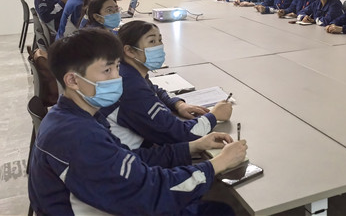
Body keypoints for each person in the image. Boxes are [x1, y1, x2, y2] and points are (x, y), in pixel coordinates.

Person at [28, 28, 246, 215]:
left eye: (117, 67)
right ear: (73, 80)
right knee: (220, 210)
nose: (117, 77)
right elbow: (151, 194)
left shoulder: (76, 115)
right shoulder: (79, 137)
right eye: (107, 70)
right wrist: (218, 164)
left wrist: (193, 146)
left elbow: (130, 160)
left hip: (107, 202)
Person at [99, 21, 233, 149]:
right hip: (134, 156)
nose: (159, 46)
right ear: (130, 51)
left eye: (160, 40)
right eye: (152, 41)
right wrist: (214, 116)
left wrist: (178, 104)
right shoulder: (131, 86)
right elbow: (178, 134)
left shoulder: (127, 71)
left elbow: (154, 89)